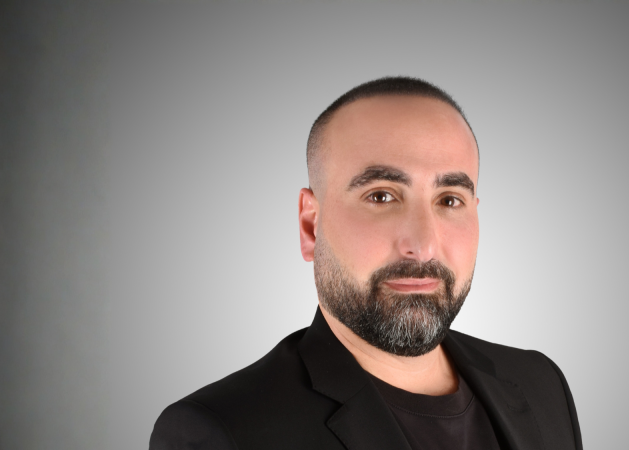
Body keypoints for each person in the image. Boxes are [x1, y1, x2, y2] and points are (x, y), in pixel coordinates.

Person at [150, 77, 582, 450]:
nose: (423, 246)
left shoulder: (541, 384)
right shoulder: (221, 431)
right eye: (381, 196)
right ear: (310, 226)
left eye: (450, 200)